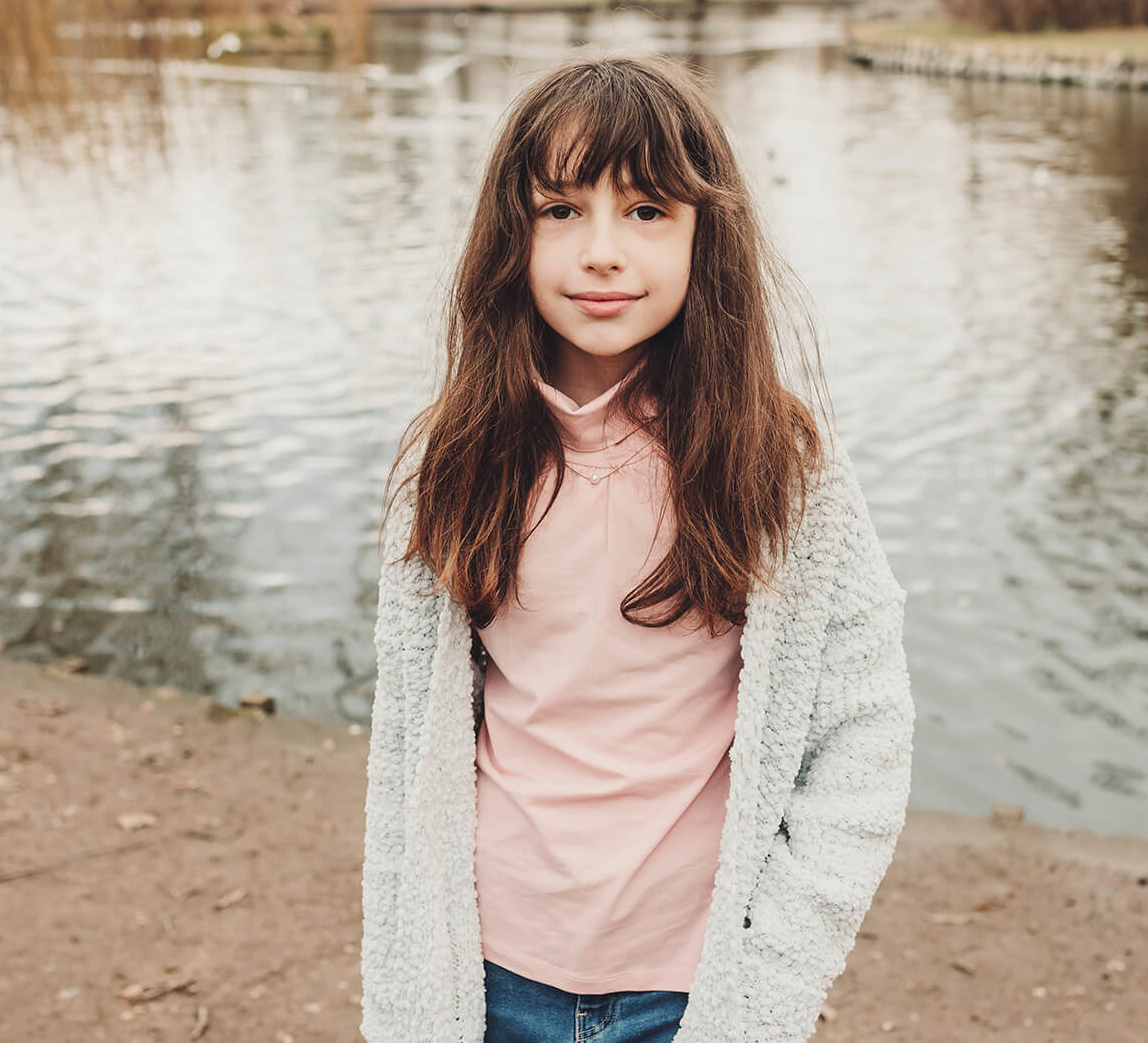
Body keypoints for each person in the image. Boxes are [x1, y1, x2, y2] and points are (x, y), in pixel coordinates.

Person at [360, 52, 914, 1043]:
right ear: (509, 236)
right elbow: (408, 745)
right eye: (561, 209)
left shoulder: (777, 467)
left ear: (709, 236)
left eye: (647, 211)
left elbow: (864, 735)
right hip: (488, 973)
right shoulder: (453, 461)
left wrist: (772, 976)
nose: (602, 252)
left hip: (694, 986)